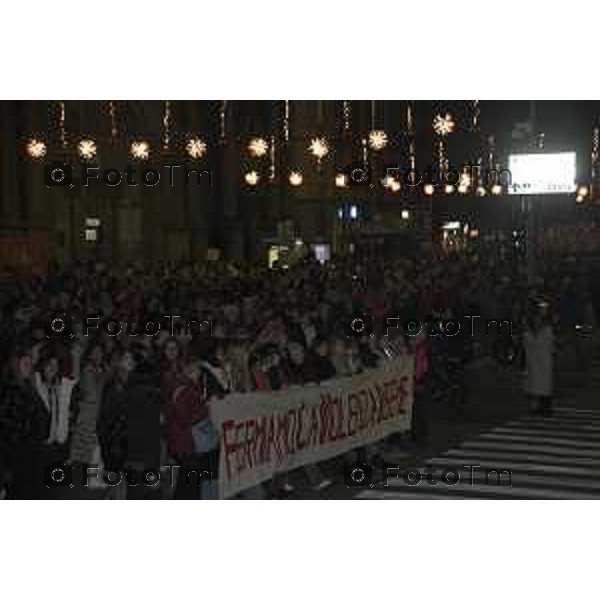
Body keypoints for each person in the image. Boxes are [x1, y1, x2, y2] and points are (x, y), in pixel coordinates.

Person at [0, 348, 50, 499]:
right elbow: (9, 430)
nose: (29, 367)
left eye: (30, 364)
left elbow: (43, 415)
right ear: (15, 366)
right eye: (24, 364)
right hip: (18, 456)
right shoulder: (10, 391)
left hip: (32, 454)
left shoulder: (29, 388)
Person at [523, 304, 554, 416]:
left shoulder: (547, 330)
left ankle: (544, 407)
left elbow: (547, 345)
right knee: (534, 385)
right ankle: (535, 407)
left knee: (543, 385)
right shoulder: (529, 332)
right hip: (533, 361)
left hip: (543, 361)